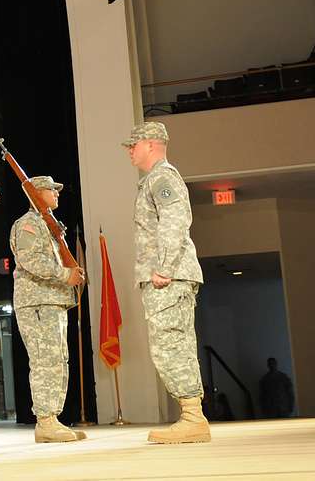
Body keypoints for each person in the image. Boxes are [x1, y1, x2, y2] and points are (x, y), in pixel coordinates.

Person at [124, 121, 209, 444]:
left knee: (171, 345)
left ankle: (192, 418)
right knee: (174, 344)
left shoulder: (162, 177)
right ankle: (191, 415)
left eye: (133, 145)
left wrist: (164, 267)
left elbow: (175, 221)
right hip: (169, 276)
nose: (130, 151)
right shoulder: (153, 179)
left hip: (168, 278)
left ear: (150, 144)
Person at [9, 175, 86, 443]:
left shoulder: (50, 226)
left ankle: (52, 419)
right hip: (37, 301)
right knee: (45, 361)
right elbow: (31, 261)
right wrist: (66, 276)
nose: (57, 194)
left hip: (52, 300)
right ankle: (45, 420)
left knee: (57, 360)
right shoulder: (28, 224)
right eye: (52, 190)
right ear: (37, 193)